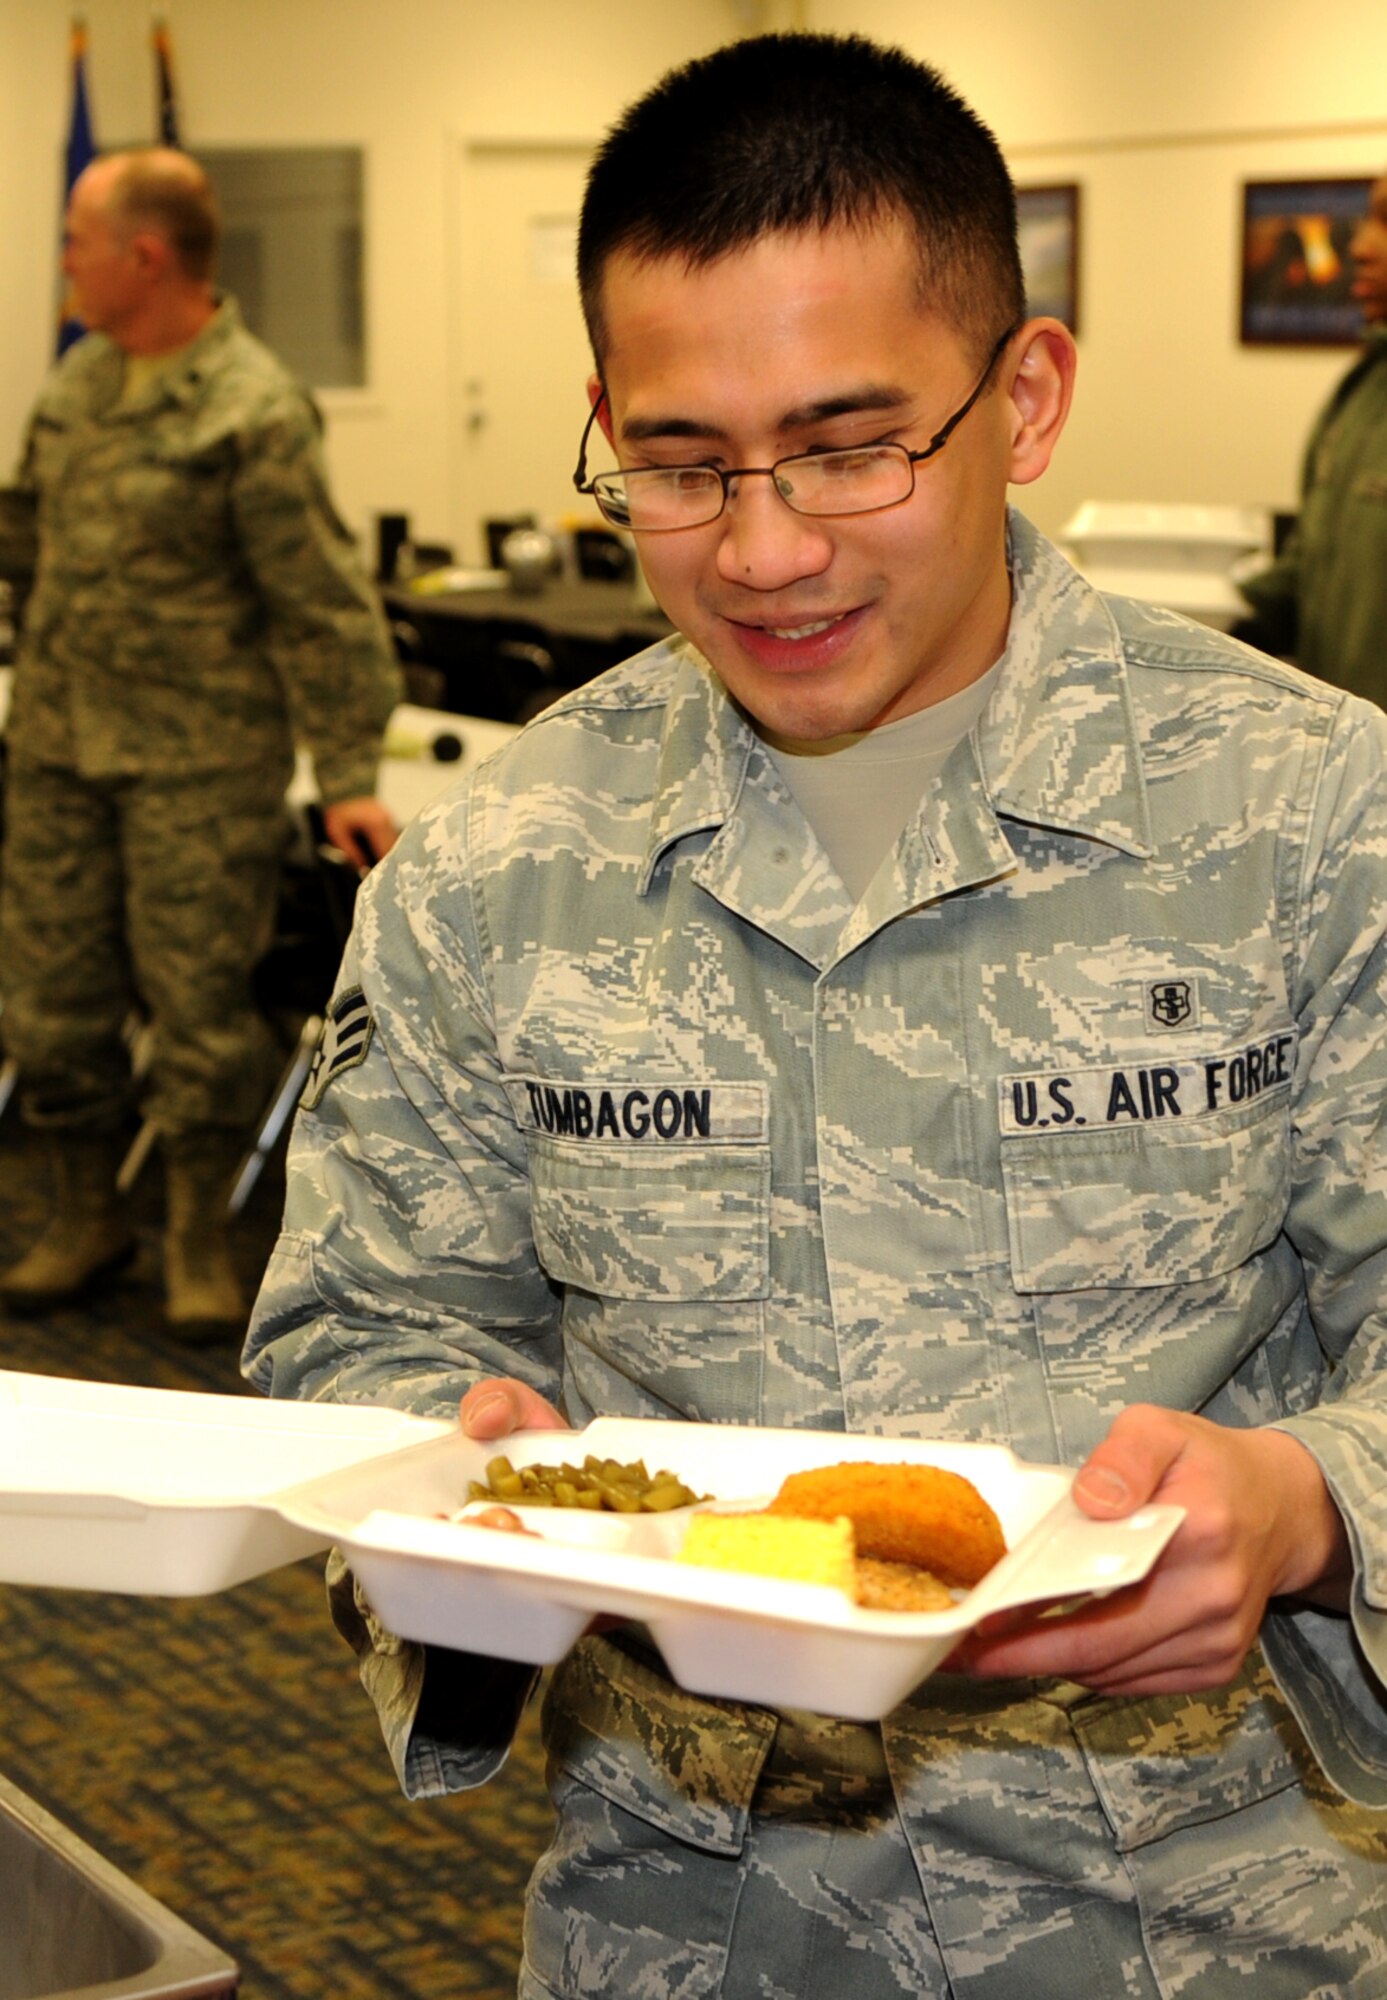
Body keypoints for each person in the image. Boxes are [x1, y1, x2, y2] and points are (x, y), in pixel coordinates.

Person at [245, 34, 1387, 1996]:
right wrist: (444, 1456)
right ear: (602, 415)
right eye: (679, 464)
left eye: (852, 445)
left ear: (1022, 398)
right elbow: (356, 1323)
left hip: (1206, 1927)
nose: (764, 549)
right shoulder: (492, 867)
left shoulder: (1313, 821)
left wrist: (1305, 1506)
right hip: (680, 1922)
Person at [0, 147, 402, 1343]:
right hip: (61, 745)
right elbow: (23, 535)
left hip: (199, 762)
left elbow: (319, 598)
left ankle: (193, 1234)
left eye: (77, 240)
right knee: (51, 1004)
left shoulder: (249, 404)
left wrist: (347, 774)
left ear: (145, 255)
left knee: (200, 1014)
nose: (62, 262)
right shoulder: (78, 385)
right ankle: (85, 1214)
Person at [1234, 170, 1387, 707]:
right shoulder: (1363, 386)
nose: (1362, 248)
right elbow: (1312, 559)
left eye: (1385, 223)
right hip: (1355, 757)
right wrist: (1234, 628)